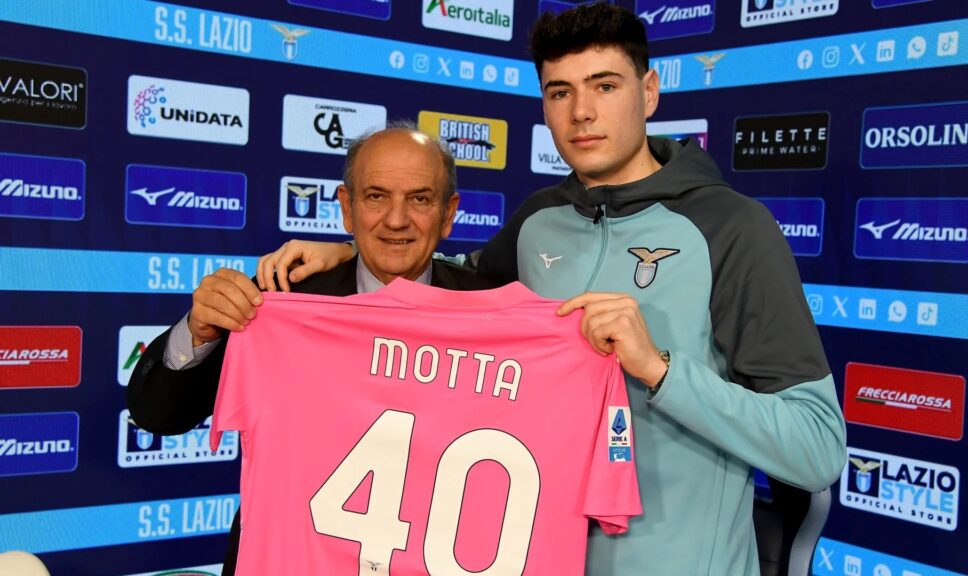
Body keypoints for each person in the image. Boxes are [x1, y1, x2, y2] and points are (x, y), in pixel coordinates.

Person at [256, 3, 847, 574]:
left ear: (648, 92)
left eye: (605, 86)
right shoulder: (539, 219)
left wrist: (660, 370)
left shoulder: (733, 229)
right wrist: (354, 250)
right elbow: (446, 286)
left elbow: (817, 448)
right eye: (560, 92)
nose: (582, 112)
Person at [126, 125, 496, 575]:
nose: (396, 219)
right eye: (376, 197)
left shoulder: (493, 313)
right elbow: (157, 415)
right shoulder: (281, 300)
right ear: (347, 208)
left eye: (420, 199)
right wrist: (199, 332)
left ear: (448, 213)